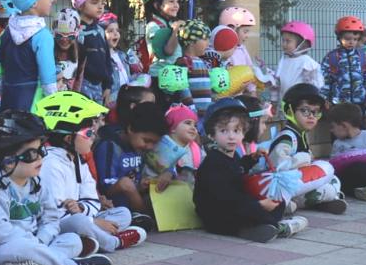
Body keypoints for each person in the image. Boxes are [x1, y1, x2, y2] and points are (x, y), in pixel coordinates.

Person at [0, 110, 112, 265]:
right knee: (25, 248)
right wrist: (34, 242)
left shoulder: (37, 182)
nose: (40, 158)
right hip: (0, 248)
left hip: (36, 241)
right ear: (8, 161)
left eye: (41, 150)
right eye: (31, 154)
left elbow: (51, 218)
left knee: (73, 240)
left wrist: (42, 238)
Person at [35, 92, 145, 253]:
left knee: (123, 213)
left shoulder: (78, 159)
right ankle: (113, 242)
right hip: (54, 224)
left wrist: (80, 207)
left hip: (78, 216)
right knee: (81, 222)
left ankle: (91, 240)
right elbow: (53, 214)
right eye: (88, 133)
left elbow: (92, 200)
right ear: (68, 139)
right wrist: (92, 221)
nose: (93, 136)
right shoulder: (50, 163)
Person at [195, 99, 306, 242]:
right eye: (224, 131)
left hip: (234, 207)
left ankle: (254, 228)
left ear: (243, 133)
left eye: (236, 130)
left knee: (277, 203)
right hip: (217, 216)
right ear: (212, 135)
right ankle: (279, 228)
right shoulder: (213, 162)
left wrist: (252, 158)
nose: (231, 136)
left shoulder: (231, 155)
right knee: (257, 210)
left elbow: (238, 167)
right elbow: (224, 198)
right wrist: (258, 205)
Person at [267, 84, 346, 213]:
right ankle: (286, 203)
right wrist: (303, 159)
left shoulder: (301, 134)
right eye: (305, 110)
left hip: (300, 181)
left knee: (334, 179)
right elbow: (278, 166)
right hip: (285, 186)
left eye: (315, 112)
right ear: (289, 110)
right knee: (327, 186)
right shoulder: (287, 137)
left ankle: (322, 202)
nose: (311, 116)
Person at [93, 101, 167, 216]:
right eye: (146, 140)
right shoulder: (109, 146)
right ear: (130, 129)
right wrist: (127, 187)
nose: (150, 146)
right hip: (113, 208)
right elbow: (105, 188)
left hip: (132, 202)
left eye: (155, 143)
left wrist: (140, 185)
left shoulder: (139, 148)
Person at [0, 0, 58, 111]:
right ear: (34, 3)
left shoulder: (6, 32)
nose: (52, 0)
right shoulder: (43, 36)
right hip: (33, 104)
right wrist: (54, 104)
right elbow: (48, 79)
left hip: (8, 99)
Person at [324, 102, 366, 201]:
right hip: (353, 177)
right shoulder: (338, 144)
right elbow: (334, 167)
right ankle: (362, 192)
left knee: (362, 168)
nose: (331, 131)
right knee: (338, 179)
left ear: (344, 126)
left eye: (332, 127)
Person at [140, 0, 184, 98]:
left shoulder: (169, 24)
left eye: (177, 1)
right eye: (171, 1)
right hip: (160, 79)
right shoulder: (153, 26)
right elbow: (167, 51)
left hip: (174, 77)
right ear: (157, 5)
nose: (176, 5)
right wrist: (175, 32)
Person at [321, 16, 366, 108]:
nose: (351, 42)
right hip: (338, 102)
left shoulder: (363, 57)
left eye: (355, 39)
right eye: (347, 39)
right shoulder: (332, 56)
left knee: (358, 122)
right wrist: (325, 97)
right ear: (339, 37)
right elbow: (325, 78)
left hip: (360, 100)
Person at [146, 104, 201, 191]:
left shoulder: (196, 150)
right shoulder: (160, 147)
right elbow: (150, 171)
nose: (193, 128)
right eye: (188, 123)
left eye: (195, 125)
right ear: (173, 128)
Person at [73, 0, 112, 105]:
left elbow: (107, 59)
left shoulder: (100, 30)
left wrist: (108, 85)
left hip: (99, 87)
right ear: (80, 5)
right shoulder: (77, 32)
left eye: (102, 2)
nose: (100, 6)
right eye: (95, 2)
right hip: (82, 86)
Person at [276, 21, 323, 101]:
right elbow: (278, 81)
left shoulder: (308, 63)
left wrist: (310, 78)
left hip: (301, 104)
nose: (284, 44)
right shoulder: (284, 60)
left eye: (288, 41)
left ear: (302, 44)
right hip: (284, 102)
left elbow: (317, 86)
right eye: (283, 40)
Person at [174, 19, 213, 114]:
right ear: (191, 42)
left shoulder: (202, 62)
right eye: (205, 39)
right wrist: (191, 110)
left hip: (206, 113)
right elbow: (183, 87)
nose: (208, 43)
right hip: (192, 114)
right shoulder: (183, 62)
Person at [100, 12, 133, 100]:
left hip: (126, 97)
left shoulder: (122, 55)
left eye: (117, 30)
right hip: (112, 100)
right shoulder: (101, 58)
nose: (116, 33)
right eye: (110, 31)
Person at [53, 8, 82, 92]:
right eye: (59, 36)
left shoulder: (81, 51)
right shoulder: (48, 49)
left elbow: (78, 80)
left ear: (76, 35)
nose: (64, 40)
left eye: (70, 36)